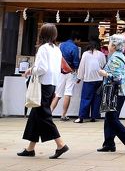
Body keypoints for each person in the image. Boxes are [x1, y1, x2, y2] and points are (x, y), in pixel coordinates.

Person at [18, 23, 70, 159]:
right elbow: (53, 68)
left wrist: (32, 70)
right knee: (36, 116)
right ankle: (30, 148)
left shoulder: (43, 49)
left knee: (44, 116)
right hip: (52, 84)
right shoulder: (56, 49)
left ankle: (60, 144)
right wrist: (33, 69)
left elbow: (42, 69)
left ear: (42, 34)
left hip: (42, 84)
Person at [97, 34, 125, 153]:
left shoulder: (115, 58)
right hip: (120, 92)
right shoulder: (121, 56)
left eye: (109, 43)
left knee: (111, 118)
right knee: (110, 117)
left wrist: (104, 73)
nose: (108, 46)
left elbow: (117, 77)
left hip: (115, 92)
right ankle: (109, 143)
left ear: (114, 45)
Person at [51, 31, 81, 121]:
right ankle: (63, 115)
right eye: (79, 40)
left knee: (58, 94)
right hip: (70, 72)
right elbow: (76, 62)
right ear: (76, 39)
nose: (79, 42)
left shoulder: (61, 45)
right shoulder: (75, 48)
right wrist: (77, 71)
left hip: (60, 71)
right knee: (68, 93)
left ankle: (49, 113)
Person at [75, 39, 106, 123]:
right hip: (99, 80)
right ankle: (94, 116)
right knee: (96, 99)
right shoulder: (102, 54)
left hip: (88, 80)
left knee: (86, 98)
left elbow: (81, 67)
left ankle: (81, 117)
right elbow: (103, 65)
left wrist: (79, 78)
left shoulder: (85, 54)